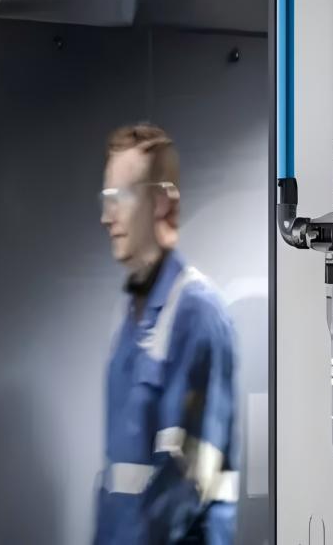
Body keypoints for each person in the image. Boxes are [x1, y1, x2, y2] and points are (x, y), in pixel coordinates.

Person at [94, 123, 238, 545]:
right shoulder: (131, 317)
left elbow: (185, 482)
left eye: (120, 198)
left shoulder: (198, 315)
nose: (107, 217)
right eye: (105, 200)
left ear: (161, 203)